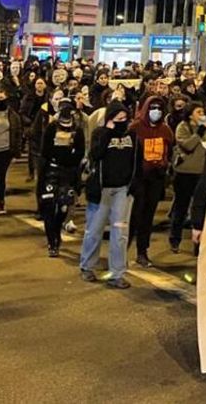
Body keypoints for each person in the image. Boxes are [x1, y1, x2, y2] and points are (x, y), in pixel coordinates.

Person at [82, 101, 136, 288]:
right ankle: (88, 265)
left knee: (120, 233)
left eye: (124, 118)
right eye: (117, 118)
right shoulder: (100, 133)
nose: (122, 122)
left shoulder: (132, 136)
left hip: (122, 190)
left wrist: (132, 184)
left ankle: (117, 272)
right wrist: (108, 132)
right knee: (94, 230)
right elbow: (95, 154)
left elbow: (135, 160)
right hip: (102, 189)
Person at [128, 95, 175, 267]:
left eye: (159, 109)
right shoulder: (136, 128)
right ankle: (122, 251)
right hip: (138, 178)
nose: (156, 111)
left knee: (148, 217)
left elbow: (169, 151)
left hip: (156, 178)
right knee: (134, 217)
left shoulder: (166, 130)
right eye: (153, 108)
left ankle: (142, 251)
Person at [38, 105, 85, 257]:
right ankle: (52, 241)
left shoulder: (78, 131)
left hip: (68, 173)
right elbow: (44, 150)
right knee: (48, 208)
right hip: (51, 171)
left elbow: (80, 152)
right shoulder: (51, 128)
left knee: (64, 208)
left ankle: (57, 229)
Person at [170, 102, 206, 253]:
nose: (202, 114)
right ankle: (175, 239)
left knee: (199, 208)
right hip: (185, 173)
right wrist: (199, 132)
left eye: (203, 111)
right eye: (198, 112)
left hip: (202, 173)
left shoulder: (205, 127)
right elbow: (187, 145)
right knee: (181, 207)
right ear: (190, 115)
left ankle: (198, 244)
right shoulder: (183, 127)